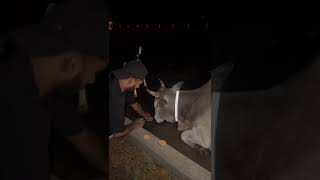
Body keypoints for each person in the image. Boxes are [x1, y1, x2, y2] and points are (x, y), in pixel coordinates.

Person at [0, 0, 108, 179]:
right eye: (95, 72)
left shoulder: (44, 86)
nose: (91, 80)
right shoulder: (20, 116)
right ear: (72, 64)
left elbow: (82, 136)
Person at [109, 60, 153, 138]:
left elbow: (134, 103)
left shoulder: (119, 82)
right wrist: (134, 125)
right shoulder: (115, 100)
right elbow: (117, 133)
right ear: (131, 81)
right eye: (139, 84)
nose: (138, 87)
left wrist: (144, 114)